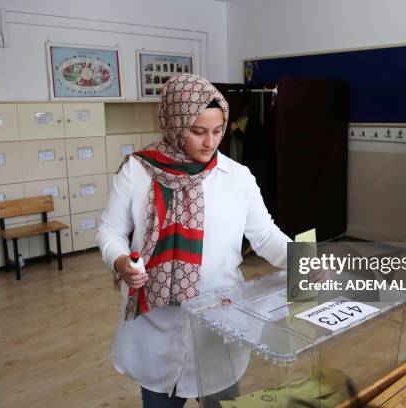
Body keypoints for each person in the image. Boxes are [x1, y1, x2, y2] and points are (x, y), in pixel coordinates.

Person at [96, 74, 291, 407]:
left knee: (221, 399)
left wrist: (305, 259)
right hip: (157, 323)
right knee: (159, 401)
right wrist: (119, 261)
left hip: (218, 322)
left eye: (218, 131)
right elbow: (110, 230)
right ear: (174, 124)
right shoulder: (137, 171)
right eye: (198, 131)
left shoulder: (237, 178)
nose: (209, 142)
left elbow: (265, 235)